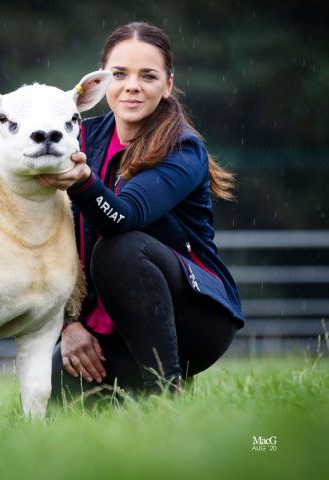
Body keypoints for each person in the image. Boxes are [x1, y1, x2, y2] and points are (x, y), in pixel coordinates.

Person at [36, 22, 244, 399]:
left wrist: (83, 182)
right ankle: (134, 390)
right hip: (104, 325)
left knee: (122, 247)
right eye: (119, 74)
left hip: (195, 319)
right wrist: (69, 324)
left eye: (147, 76)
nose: (132, 85)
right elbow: (43, 236)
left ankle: (167, 393)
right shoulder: (79, 136)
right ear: (101, 82)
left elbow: (123, 217)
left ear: (167, 85)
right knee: (58, 403)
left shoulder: (184, 149)